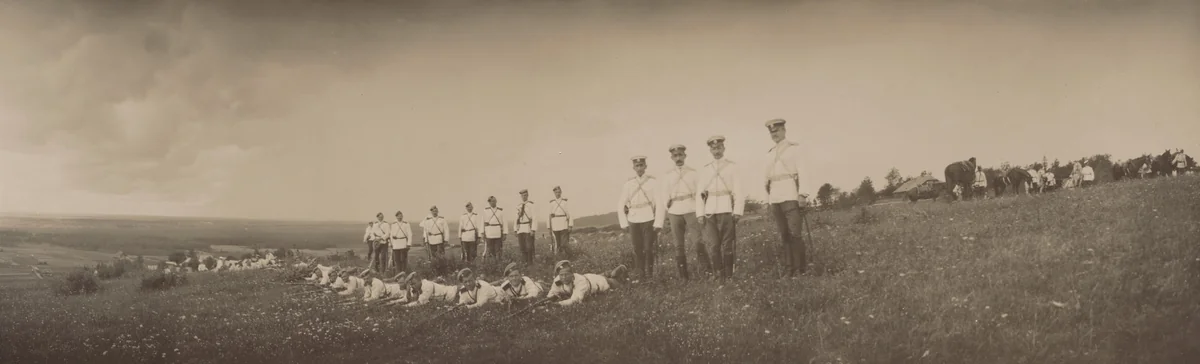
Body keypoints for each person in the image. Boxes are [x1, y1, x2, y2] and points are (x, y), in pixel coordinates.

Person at [763, 118, 810, 278]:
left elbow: (803, 171)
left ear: (784, 130)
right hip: (775, 198)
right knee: (784, 235)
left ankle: (800, 269)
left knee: (795, 234)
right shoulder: (769, 154)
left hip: (791, 195)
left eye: (777, 131)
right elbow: (766, 179)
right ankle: (789, 269)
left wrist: (802, 194)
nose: (774, 134)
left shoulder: (794, 149)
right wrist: (767, 200)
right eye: (772, 132)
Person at [656, 144, 711, 280]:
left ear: (685, 156)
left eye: (680, 155)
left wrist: (700, 212)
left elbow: (700, 193)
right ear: (671, 158)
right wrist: (667, 205)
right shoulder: (667, 175)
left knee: (698, 241)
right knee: (678, 245)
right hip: (675, 210)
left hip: (691, 208)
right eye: (675, 156)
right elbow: (663, 193)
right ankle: (683, 277)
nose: (678, 158)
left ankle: (707, 271)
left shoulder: (693, 173)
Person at [696, 136, 744, 281]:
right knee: (714, 244)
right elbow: (700, 193)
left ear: (724, 148)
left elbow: (738, 190)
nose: (716, 151)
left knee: (727, 244)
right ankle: (718, 273)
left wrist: (737, 211)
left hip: (726, 208)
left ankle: (729, 274)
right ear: (710, 150)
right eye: (713, 148)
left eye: (719, 148)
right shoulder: (706, 169)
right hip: (710, 210)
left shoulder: (732, 167)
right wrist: (700, 213)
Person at [617, 155, 664, 281]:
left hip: (648, 218)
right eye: (637, 166)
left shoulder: (653, 182)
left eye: (641, 165)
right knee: (637, 249)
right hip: (633, 219)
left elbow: (659, 203)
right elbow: (621, 204)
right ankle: (641, 275)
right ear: (633, 167)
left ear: (645, 166)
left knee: (648, 249)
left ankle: (649, 275)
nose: (639, 168)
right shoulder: (628, 184)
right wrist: (624, 223)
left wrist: (658, 223)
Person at [545, 260, 628, 307]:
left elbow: (575, 300)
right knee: (598, 276)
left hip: (600, 282)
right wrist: (546, 301)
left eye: (566, 274)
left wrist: (557, 304)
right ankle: (609, 273)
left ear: (572, 274)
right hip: (589, 277)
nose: (563, 277)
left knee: (620, 284)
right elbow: (552, 293)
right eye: (561, 275)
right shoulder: (558, 280)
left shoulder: (579, 281)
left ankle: (617, 272)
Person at [547, 186, 573, 257]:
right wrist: (549, 227)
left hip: (564, 224)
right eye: (556, 192)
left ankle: (570, 256)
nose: (557, 194)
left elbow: (570, 214)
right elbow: (549, 216)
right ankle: (560, 258)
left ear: (561, 192)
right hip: (555, 225)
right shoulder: (551, 203)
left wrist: (570, 225)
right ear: (554, 193)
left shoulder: (565, 202)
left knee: (564, 243)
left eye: (559, 192)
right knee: (557, 244)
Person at [513, 190, 537, 264]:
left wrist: (533, 229)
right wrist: (515, 229)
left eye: (525, 195)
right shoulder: (518, 206)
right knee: (522, 246)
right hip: (520, 228)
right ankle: (524, 263)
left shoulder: (531, 205)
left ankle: (530, 263)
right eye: (523, 195)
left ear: (527, 196)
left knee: (529, 247)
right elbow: (516, 219)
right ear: (521, 196)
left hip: (528, 227)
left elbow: (534, 217)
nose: (524, 197)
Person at [481, 196, 507, 261]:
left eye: (494, 201)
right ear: (489, 202)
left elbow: (504, 222)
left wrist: (505, 233)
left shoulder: (500, 211)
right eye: (492, 201)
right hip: (489, 233)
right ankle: (492, 264)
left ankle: (499, 263)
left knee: (498, 250)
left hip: (498, 233)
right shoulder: (485, 211)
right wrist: (482, 233)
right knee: (490, 250)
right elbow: (482, 222)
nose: (493, 202)